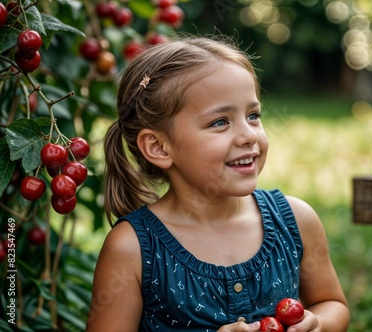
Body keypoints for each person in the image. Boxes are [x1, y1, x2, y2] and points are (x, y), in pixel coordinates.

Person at [86, 35, 350, 332]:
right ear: (159, 147)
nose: (248, 135)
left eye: (253, 115)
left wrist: (318, 324)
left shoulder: (296, 221)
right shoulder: (131, 249)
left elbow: (332, 304)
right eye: (220, 122)